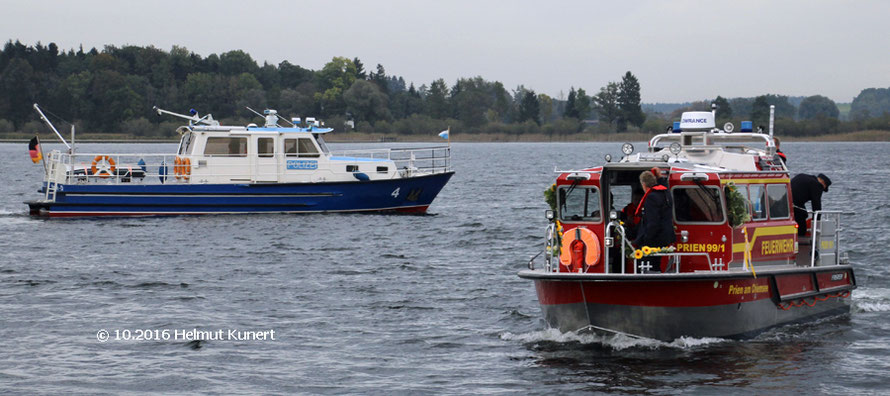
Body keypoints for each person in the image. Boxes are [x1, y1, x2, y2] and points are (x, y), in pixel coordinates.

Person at [633, 171, 675, 273]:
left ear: (643, 184)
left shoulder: (651, 198)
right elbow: (665, 187)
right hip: (664, 239)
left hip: (653, 240)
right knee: (656, 264)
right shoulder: (666, 194)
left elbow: (653, 223)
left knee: (646, 266)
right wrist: (660, 178)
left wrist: (645, 240)